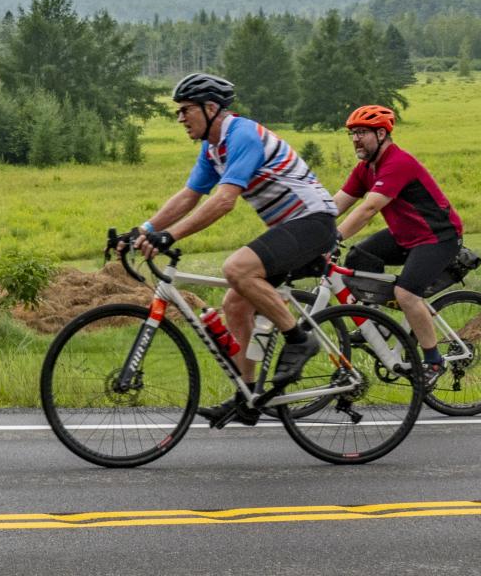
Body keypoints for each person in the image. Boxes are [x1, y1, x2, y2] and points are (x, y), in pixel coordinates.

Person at [129, 73, 340, 426]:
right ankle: (248, 397)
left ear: (211, 108)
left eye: (186, 110)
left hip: (313, 222)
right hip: (292, 227)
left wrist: (171, 236)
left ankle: (298, 340)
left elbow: (225, 200)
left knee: (237, 269)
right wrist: (145, 230)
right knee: (235, 303)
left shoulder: (242, 135)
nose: (180, 118)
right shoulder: (212, 149)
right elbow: (189, 196)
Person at [332, 104, 463, 388]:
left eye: (362, 133)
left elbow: (368, 209)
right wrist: (309, 227)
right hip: (405, 236)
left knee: (406, 293)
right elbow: (337, 203)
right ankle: (377, 322)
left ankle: (433, 361)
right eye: (352, 133)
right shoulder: (365, 168)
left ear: (381, 133)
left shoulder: (397, 163)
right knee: (359, 258)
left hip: (438, 237)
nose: (355, 139)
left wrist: (335, 237)